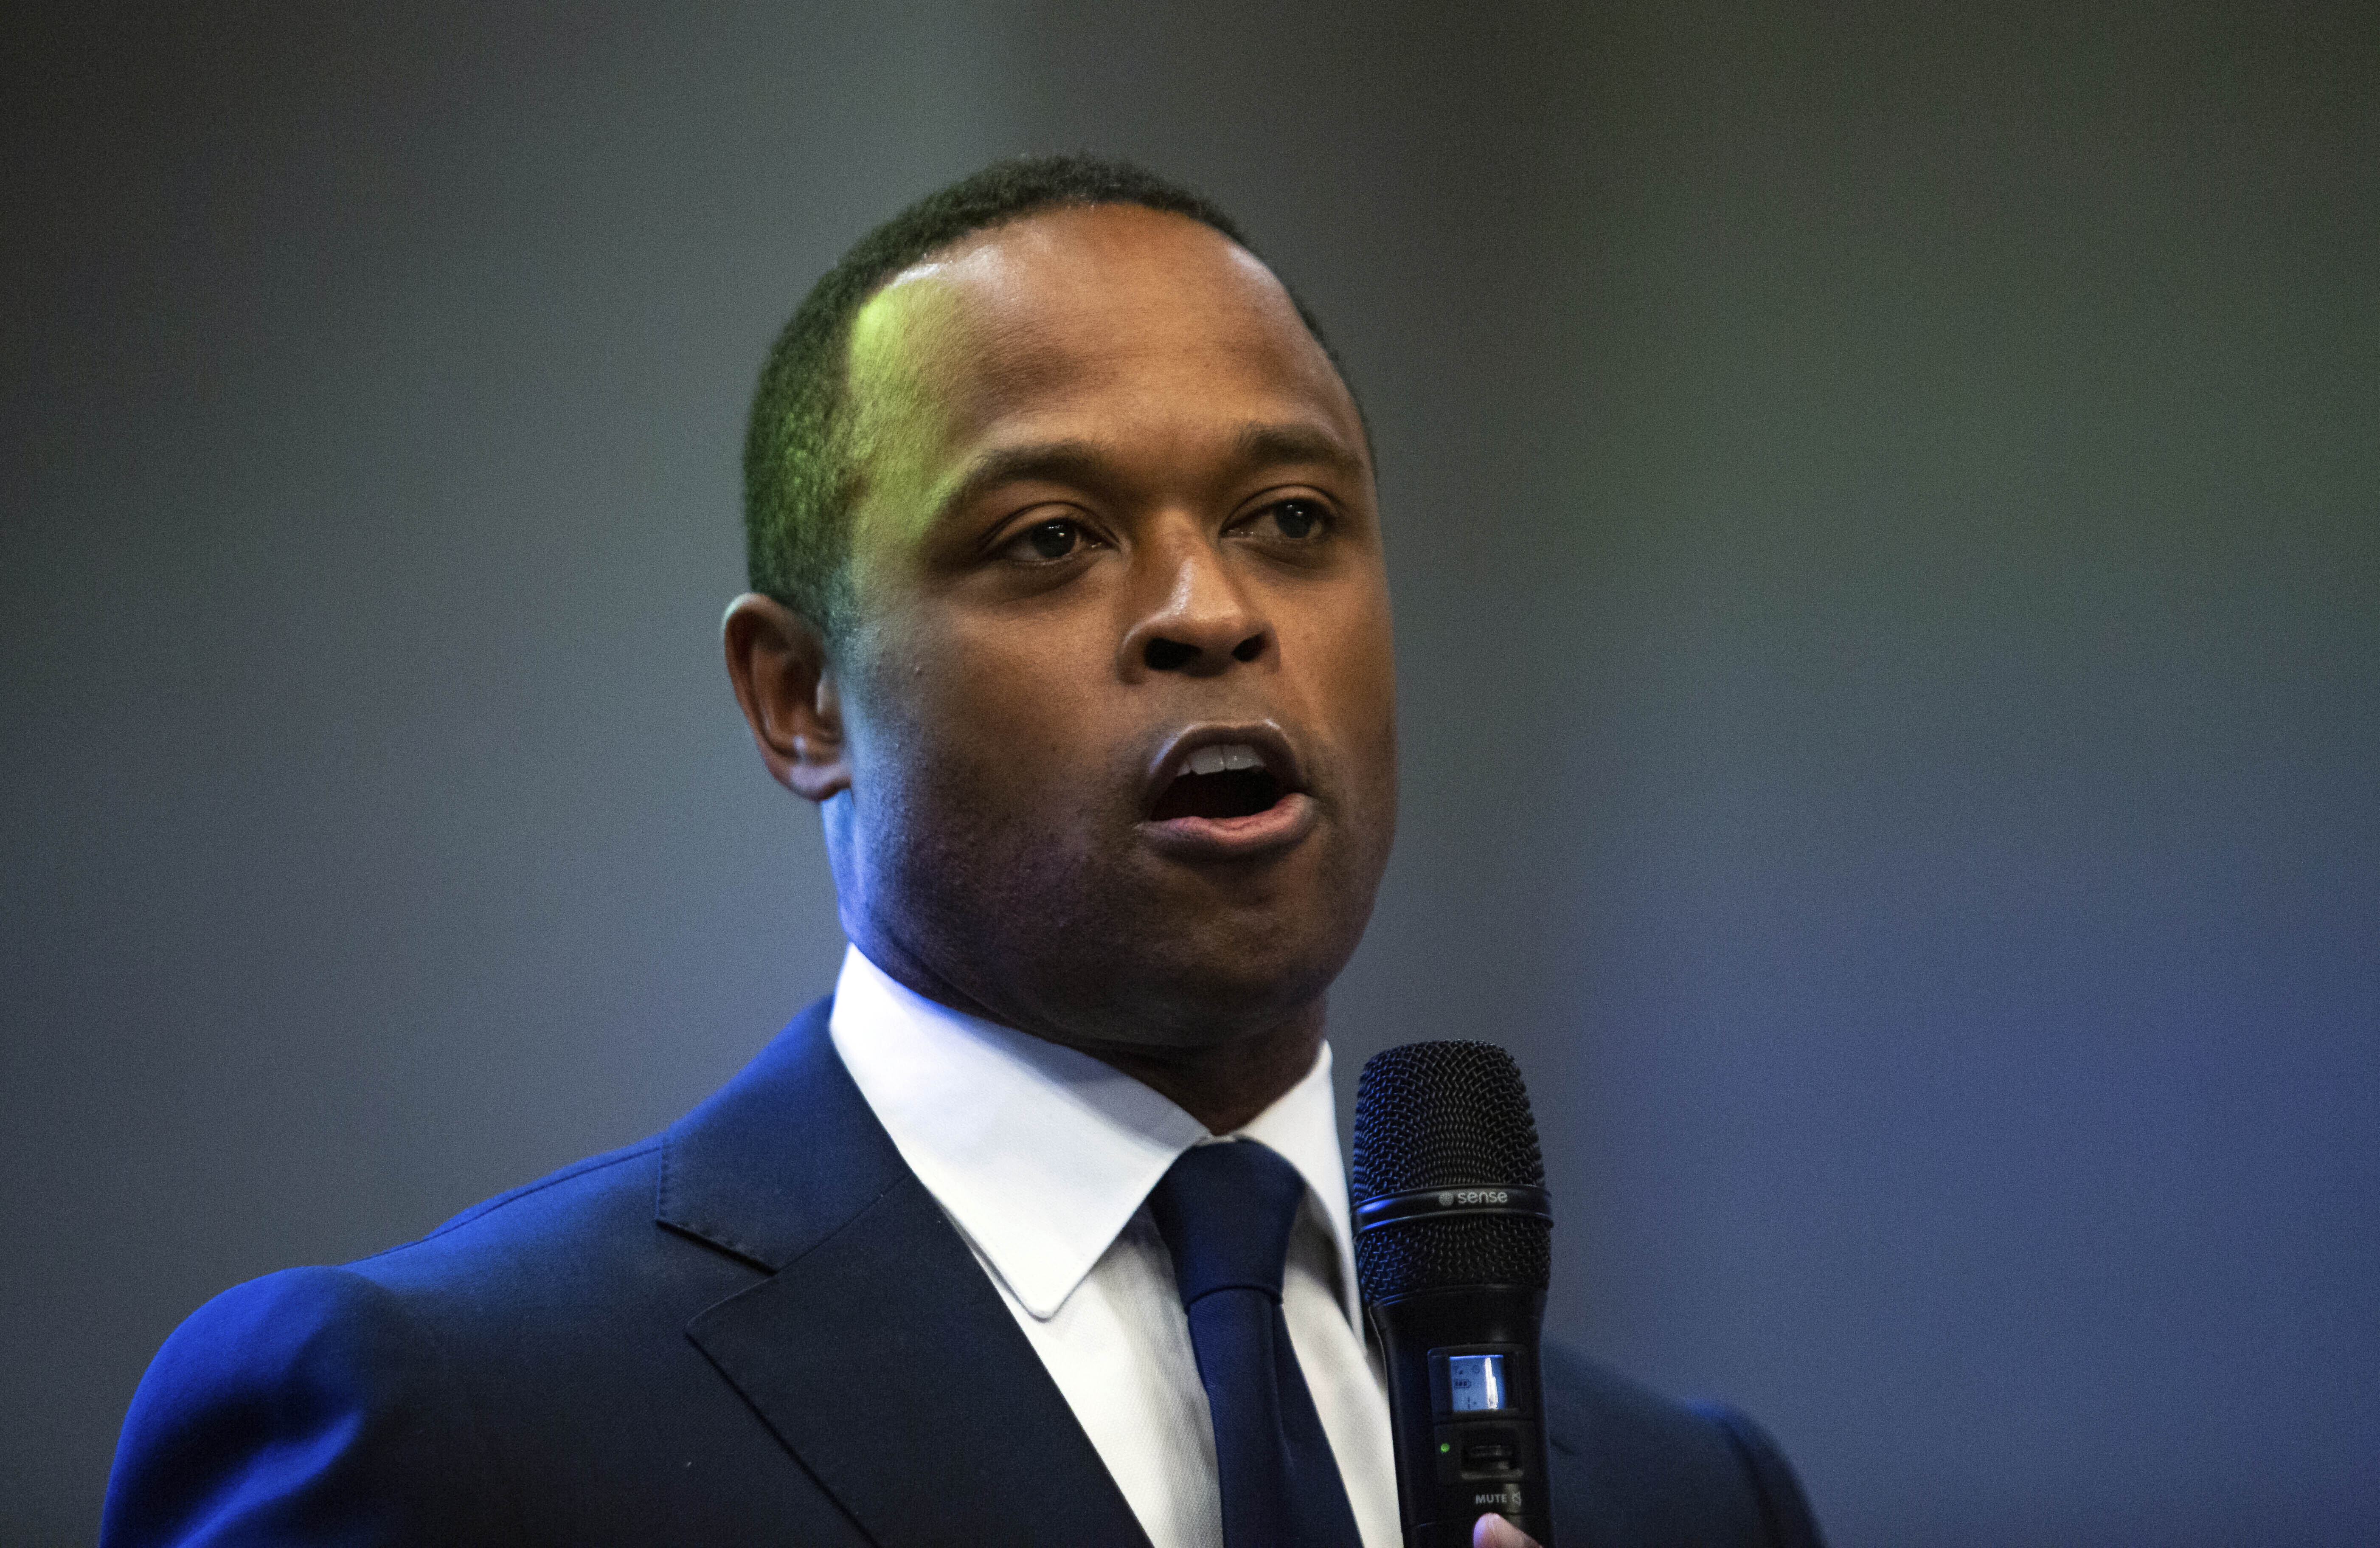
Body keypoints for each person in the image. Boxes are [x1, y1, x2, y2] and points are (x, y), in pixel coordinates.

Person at [101, 155, 1824, 1548]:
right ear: (800, 700)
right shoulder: (449, 1421)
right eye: (1052, 537)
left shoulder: (1684, 1498)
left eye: (1289, 522)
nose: (1210, 611)